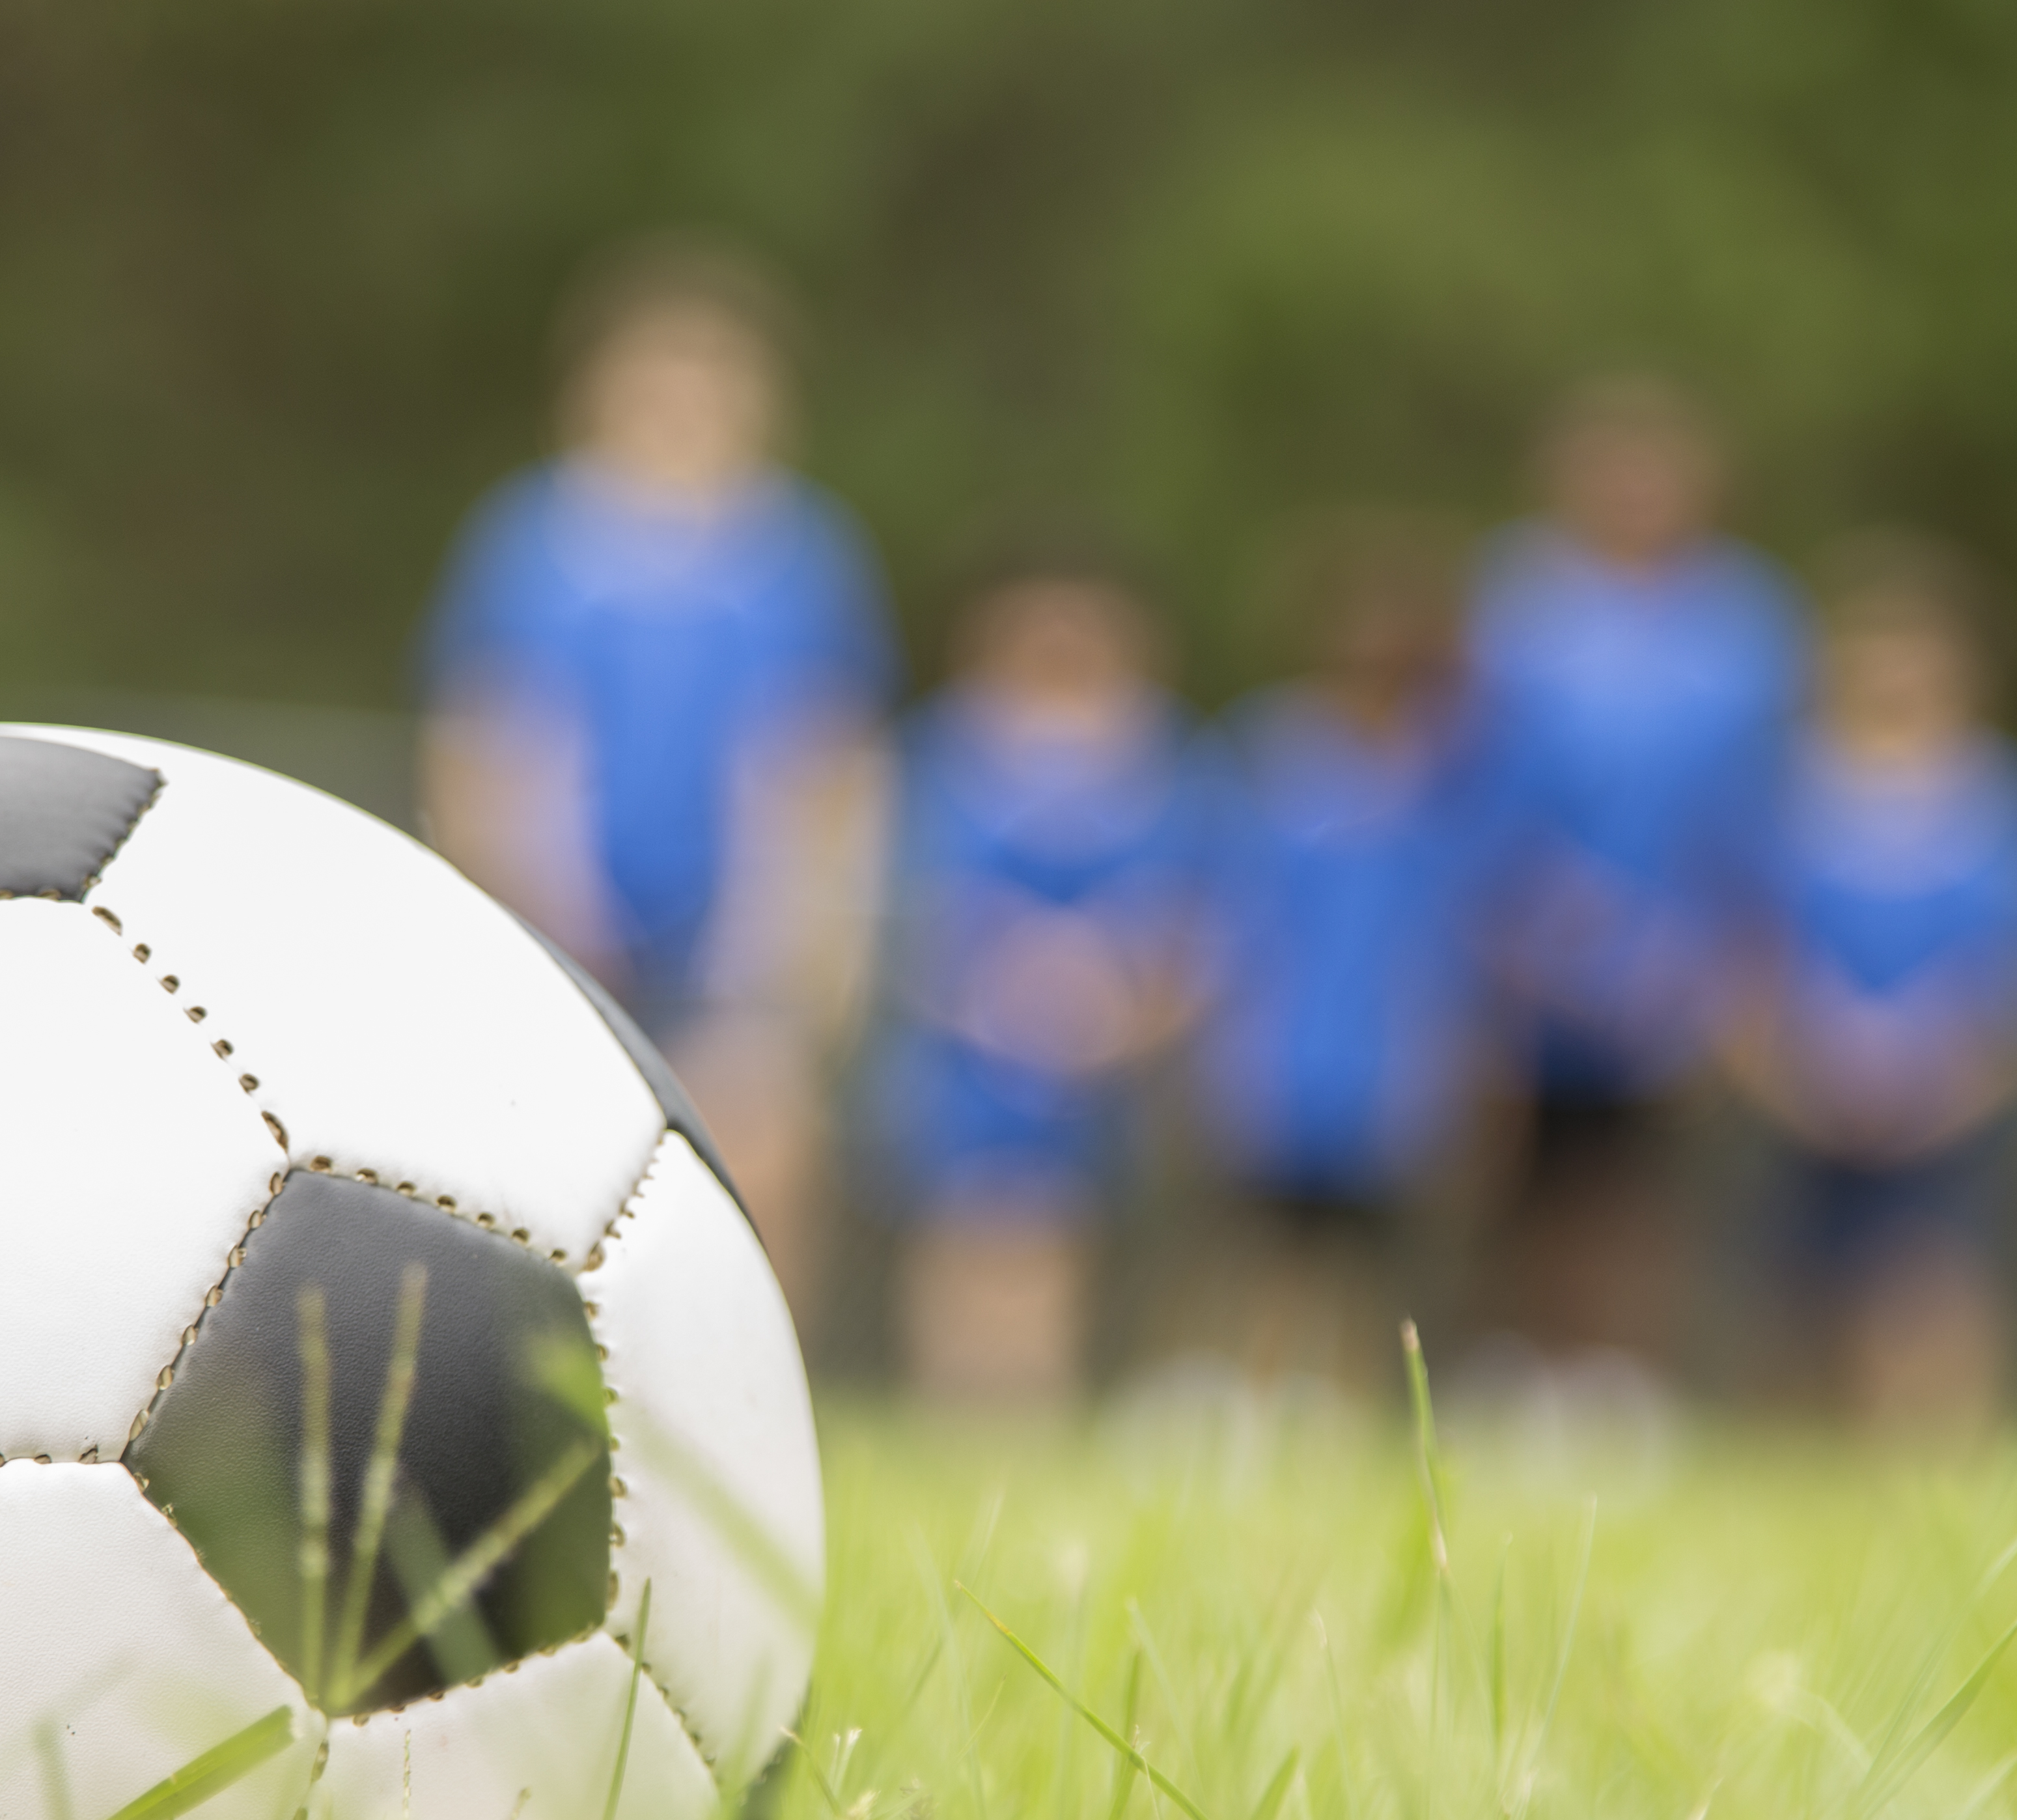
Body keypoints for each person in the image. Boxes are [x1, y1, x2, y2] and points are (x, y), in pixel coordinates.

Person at [419, 241, 895, 1306]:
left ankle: (762, 1398)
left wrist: (823, 940)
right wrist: (502, 900)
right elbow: (482, 737)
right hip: (564, 915)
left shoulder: (800, 551)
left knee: (761, 1155)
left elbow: (830, 758)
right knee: (549, 1166)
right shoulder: (534, 540)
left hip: (740, 925)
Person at [1469, 378, 1804, 1399]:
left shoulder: (1747, 624)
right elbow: (1477, 768)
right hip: (1523, 947)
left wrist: (1717, 941)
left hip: (1675, 957)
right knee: (1515, 1169)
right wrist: (1520, 910)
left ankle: (1623, 1381)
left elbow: (1762, 797)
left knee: (1640, 1178)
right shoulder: (1518, 601)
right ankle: (1517, 1368)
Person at [1722, 539, 2017, 1436]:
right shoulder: (1788, 793)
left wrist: (1945, 1089)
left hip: (1947, 1113)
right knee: (1799, 1298)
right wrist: (1791, 1081)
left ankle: (1937, 1475)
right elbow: (1737, 955)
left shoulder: (2002, 803)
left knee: (1925, 1287)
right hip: (1806, 1105)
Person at [1186, 518, 1522, 1392]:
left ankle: (1352, 1409)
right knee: (1267, 1257)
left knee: (1382, 1269)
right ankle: (1253, 1408)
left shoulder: (1455, 769)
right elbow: (1227, 911)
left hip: (1398, 1064)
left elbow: (1472, 921)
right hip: (1283, 1057)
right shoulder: (1272, 750)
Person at [871, 553, 1199, 1406]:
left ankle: (1035, 1404)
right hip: (960, 1050)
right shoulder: (943, 755)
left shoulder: (1159, 763)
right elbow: (903, 906)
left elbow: (1196, 917)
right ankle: (951, 1404)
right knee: (963, 1230)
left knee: (1057, 1235)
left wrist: (1121, 1016)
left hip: (1100, 1062)